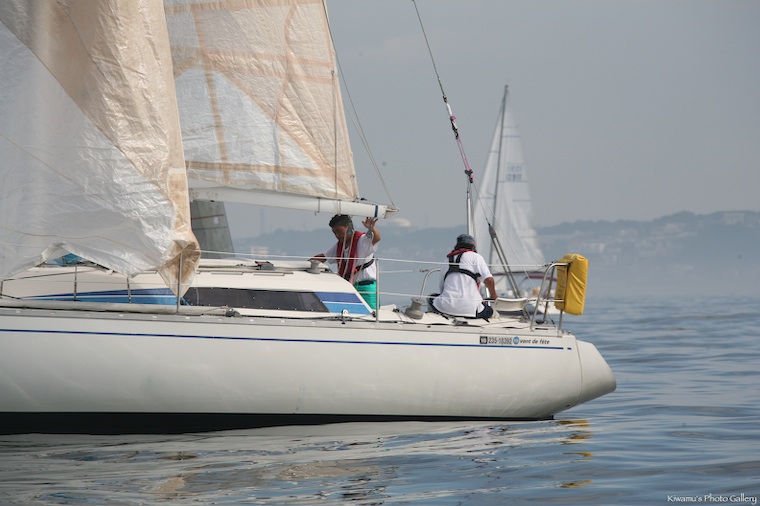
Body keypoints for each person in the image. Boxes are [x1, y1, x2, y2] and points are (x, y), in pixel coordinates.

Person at [310, 214, 381, 309]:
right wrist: (304, 264)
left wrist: (371, 228)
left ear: (348, 227)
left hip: (366, 288)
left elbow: (376, 238)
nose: (337, 235)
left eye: (339, 231)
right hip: (349, 288)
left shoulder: (362, 240)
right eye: (334, 232)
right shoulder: (340, 246)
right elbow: (324, 256)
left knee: (371, 314)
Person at [431, 233, 497, 319]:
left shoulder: (446, 260)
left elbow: (442, 288)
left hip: (445, 307)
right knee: (490, 311)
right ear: (473, 247)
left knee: (431, 297)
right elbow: (489, 280)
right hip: (471, 310)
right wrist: (493, 296)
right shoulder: (475, 257)